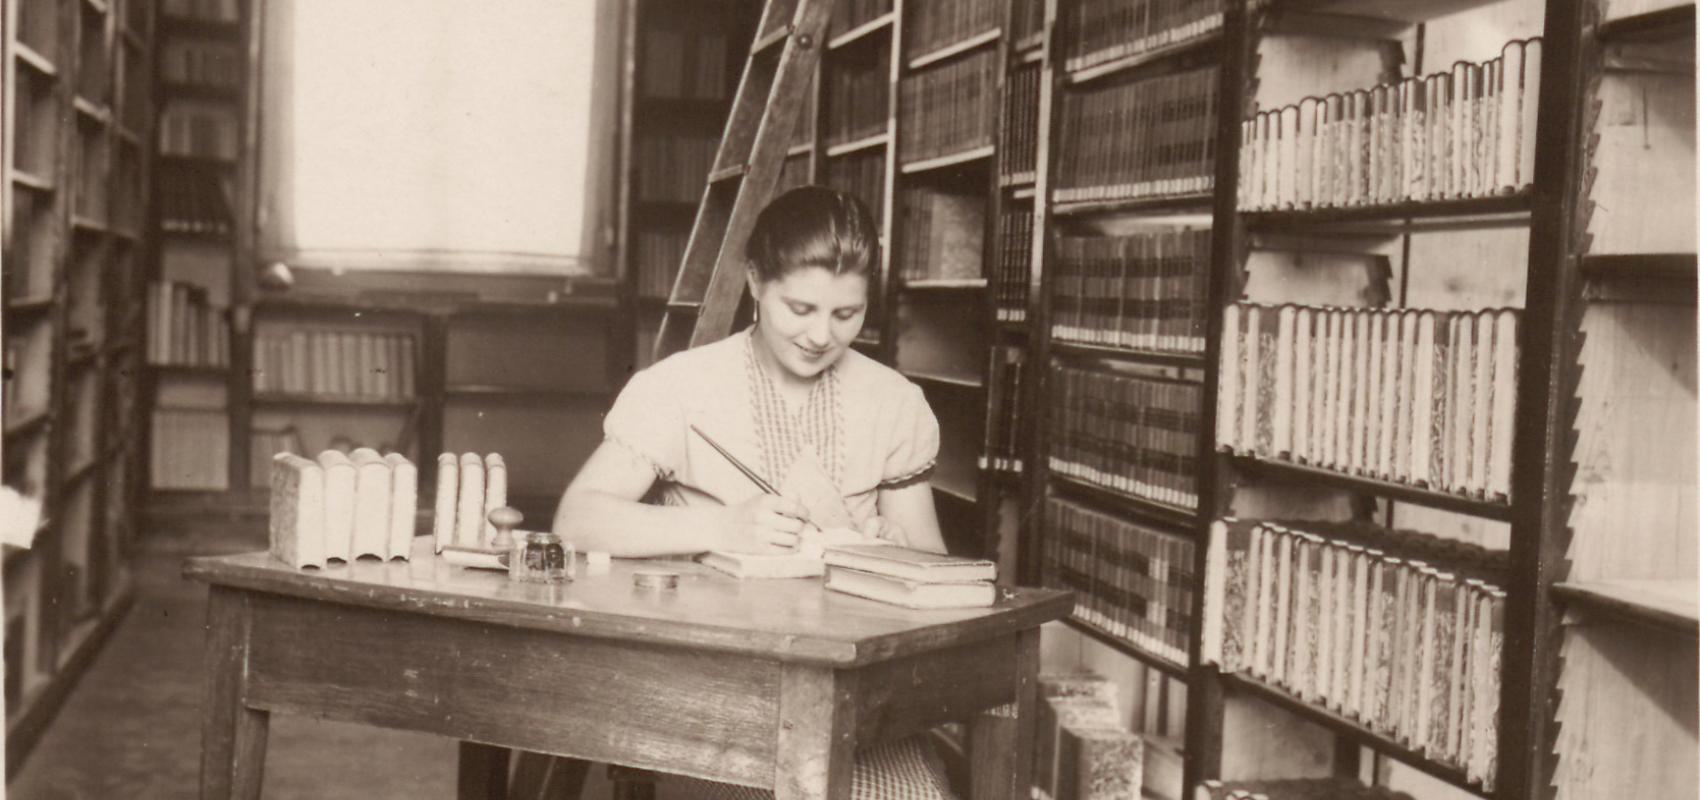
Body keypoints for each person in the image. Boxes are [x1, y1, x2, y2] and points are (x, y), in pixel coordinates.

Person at [554, 186, 956, 799]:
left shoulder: (893, 401)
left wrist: (890, 553)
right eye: (800, 308)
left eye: (846, 315)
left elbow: (935, 570)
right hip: (715, 684)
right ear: (754, 282)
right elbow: (577, 519)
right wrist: (720, 528)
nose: (821, 335)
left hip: (849, 687)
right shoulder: (680, 387)